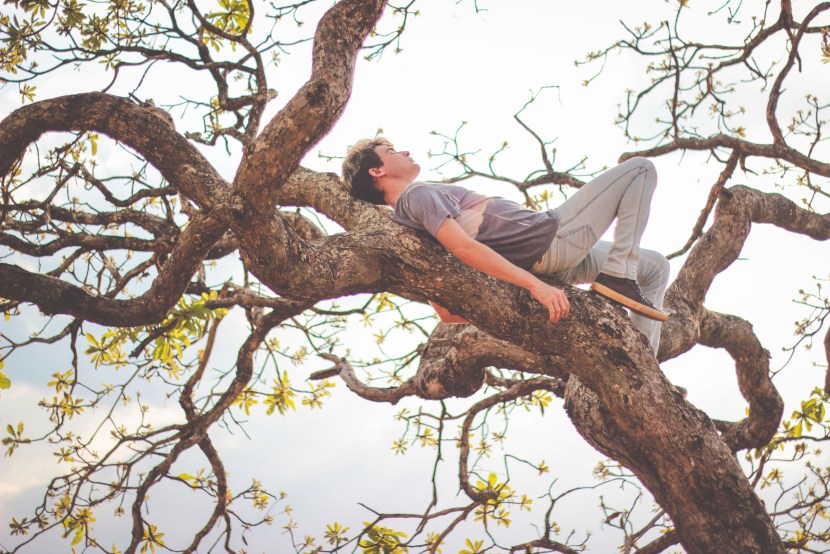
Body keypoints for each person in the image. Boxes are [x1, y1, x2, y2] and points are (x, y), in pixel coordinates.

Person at [341, 138, 670, 354]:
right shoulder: (417, 195)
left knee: (656, 268)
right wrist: (536, 288)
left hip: (554, 259)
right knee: (640, 168)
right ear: (377, 170)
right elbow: (464, 249)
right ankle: (618, 276)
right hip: (551, 239)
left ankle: (644, 365)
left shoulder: (408, 227)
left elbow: (446, 313)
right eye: (393, 152)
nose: (406, 152)